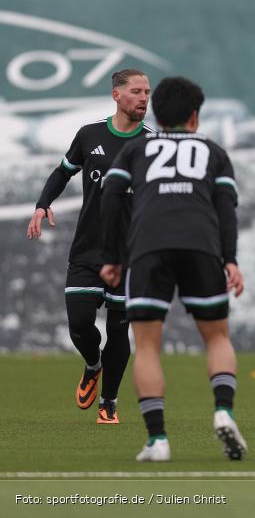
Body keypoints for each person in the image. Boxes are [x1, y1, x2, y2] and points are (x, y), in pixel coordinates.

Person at [100, 76, 246, 462]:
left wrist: (114, 257)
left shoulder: (136, 150)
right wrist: (229, 259)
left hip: (149, 247)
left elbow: (111, 197)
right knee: (216, 337)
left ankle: (158, 440)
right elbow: (226, 209)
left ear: (158, 114)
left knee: (147, 345)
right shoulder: (213, 152)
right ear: (195, 116)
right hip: (201, 246)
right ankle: (223, 411)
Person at [27, 69, 153, 425]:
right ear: (116, 95)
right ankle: (92, 364)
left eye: (147, 92)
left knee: (119, 329)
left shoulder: (153, 144)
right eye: (136, 91)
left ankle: (109, 402)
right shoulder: (90, 134)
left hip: (130, 254)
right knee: (80, 322)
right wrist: (42, 203)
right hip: (88, 249)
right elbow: (62, 171)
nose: (143, 98)